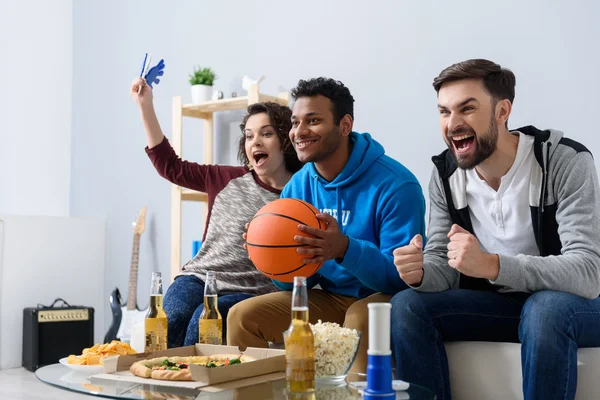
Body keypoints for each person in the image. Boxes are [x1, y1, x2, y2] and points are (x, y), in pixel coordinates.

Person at [390, 59, 600, 400]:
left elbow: (588, 272)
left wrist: (493, 265)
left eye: (467, 109)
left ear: (502, 111)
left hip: (577, 306)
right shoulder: (445, 176)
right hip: (504, 306)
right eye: (444, 112)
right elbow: (442, 268)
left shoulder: (564, 161)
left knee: (544, 309)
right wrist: (420, 274)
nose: (452, 124)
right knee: (406, 306)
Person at [227, 77, 426, 373]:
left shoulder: (396, 184)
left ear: (344, 126)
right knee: (241, 315)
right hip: (328, 298)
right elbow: (292, 282)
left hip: (383, 299)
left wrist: (344, 248)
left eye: (313, 120)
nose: (299, 132)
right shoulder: (298, 186)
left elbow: (400, 279)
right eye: (295, 122)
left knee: (358, 317)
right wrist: (270, 254)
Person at [130, 77, 303, 347]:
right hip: (199, 278)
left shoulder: (301, 193)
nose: (255, 141)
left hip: (252, 291)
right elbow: (170, 166)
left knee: (205, 322)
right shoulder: (224, 178)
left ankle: (188, 387)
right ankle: (157, 385)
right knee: (170, 319)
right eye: (248, 135)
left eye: (266, 133)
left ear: (285, 142)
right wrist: (145, 105)